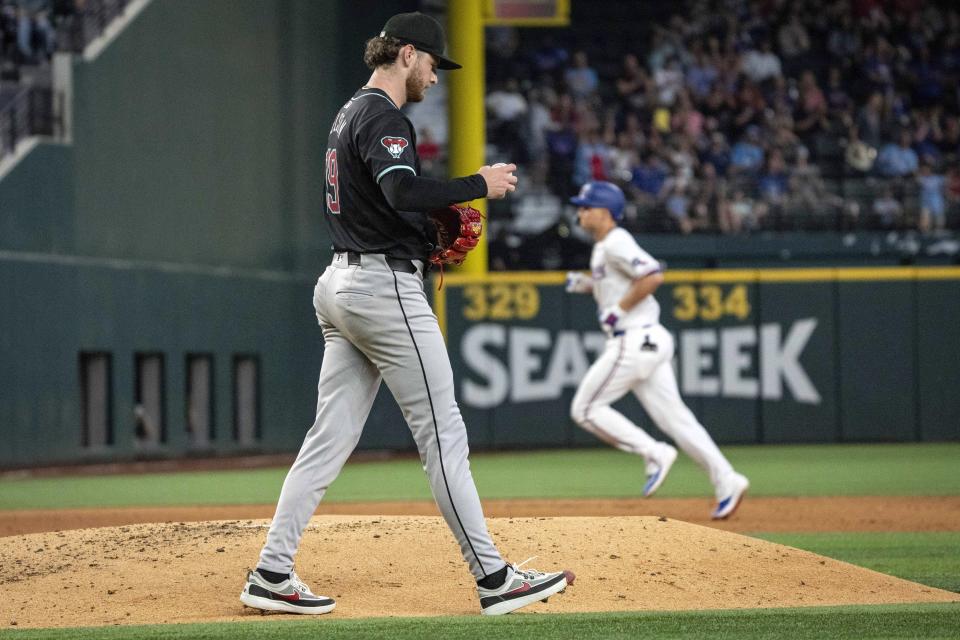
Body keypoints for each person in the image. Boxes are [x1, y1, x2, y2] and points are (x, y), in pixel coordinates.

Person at [238, 12, 572, 617]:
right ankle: (495, 578)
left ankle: (272, 570)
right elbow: (399, 190)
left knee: (329, 437)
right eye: (433, 66)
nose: (436, 79)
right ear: (407, 54)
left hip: (340, 282)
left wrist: (419, 229)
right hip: (381, 289)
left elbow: (380, 200)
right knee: (443, 433)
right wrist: (479, 183)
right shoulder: (385, 117)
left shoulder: (349, 111)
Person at [565, 181, 749, 520]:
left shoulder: (617, 240)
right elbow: (621, 283)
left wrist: (618, 309)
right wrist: (589, 285)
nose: (580, 211)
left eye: (586, 207)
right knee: (678, 421)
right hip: (649, 340)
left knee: (585, 408)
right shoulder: (605, 246)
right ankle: (727, 479)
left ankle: (654, 452)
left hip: (632, 339)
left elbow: (652, 275)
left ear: (604, 212)